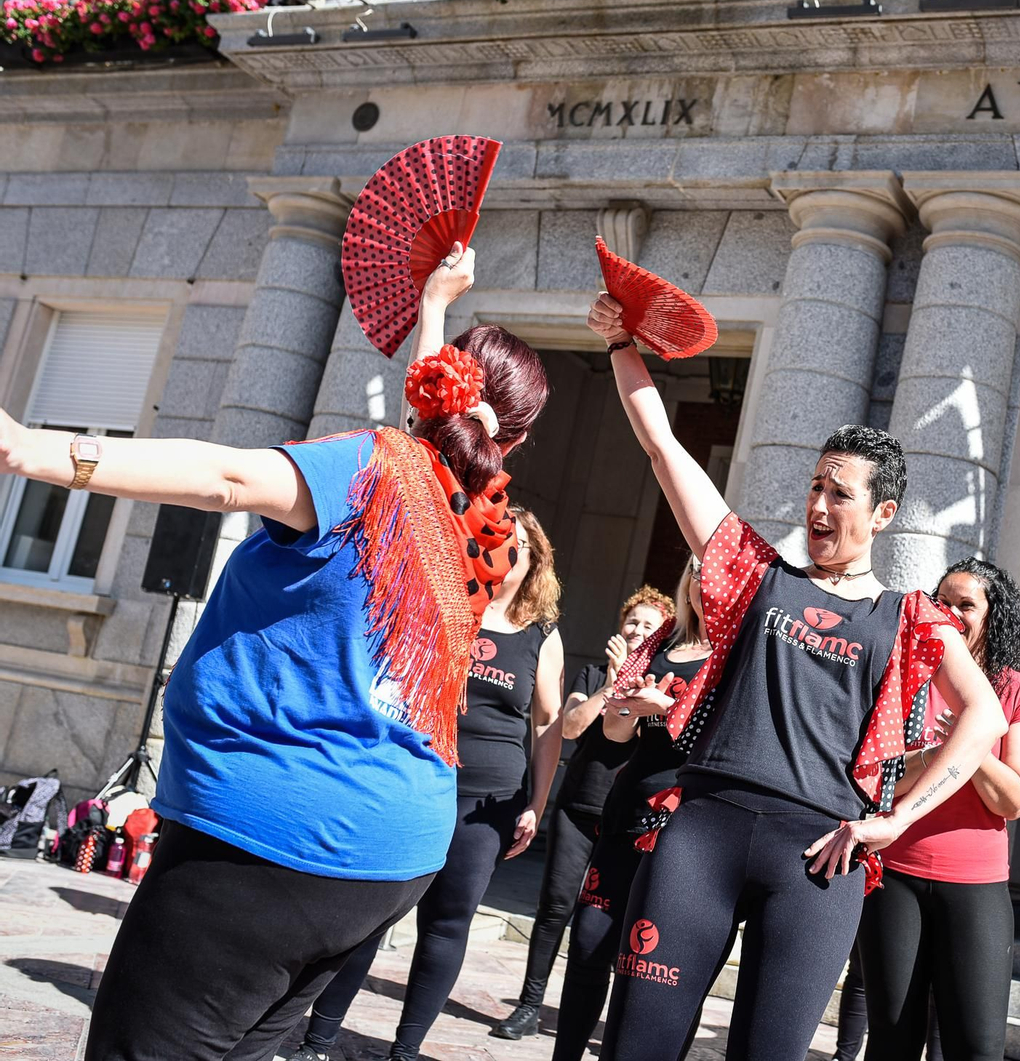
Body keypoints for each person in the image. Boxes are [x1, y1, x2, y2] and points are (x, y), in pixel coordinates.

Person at [0, 244, 555, 1061]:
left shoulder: (372, 467)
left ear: (442, 386)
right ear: (516, 438)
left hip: (271, 839)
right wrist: (434, 304)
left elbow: (225, 476)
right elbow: (434, 423)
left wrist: (31, 451)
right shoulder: (483, 532)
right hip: (388, 859)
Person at [584, 293, 1009, 1061]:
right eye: (815, 485)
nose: (817, 504)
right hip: (701, 834)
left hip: (820, 859)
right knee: (635, 1048)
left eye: (839, 493)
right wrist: (622, 344)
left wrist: (897, 819)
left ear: (882, 514)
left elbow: (984, 717)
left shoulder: (911, 617)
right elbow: (662, 449)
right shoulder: (755, 576)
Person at [286, 506, 566, 1061]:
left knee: (447, 923)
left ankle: (405, 1051)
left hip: (488, 798)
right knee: (373, 911)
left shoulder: (543, 635)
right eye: (496, 539)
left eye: (515, 544)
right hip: (414, 780)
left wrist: (537, 802)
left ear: (533, 561)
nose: (503, 550)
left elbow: (547, 726)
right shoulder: (450, 606)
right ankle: (318, 1040)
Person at [858, 557, 1020, 1061]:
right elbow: (880, 783)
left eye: (967, 604)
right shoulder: (907, 679)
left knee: (977, 1046)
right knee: (892, 1040)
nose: (952, 613)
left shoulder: (1018, 691)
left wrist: (973, 748)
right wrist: (934, 756)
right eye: (943, 602)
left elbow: (1016, 799)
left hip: (976, 886)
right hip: (895, 874)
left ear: (994, 615)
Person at [493, 585, 674, 1040]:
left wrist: (635, 687)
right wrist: (613, 685)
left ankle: (605, 1018)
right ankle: (529, 1005)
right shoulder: (595, 674)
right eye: (631, 621)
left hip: (629, 819)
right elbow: (570, 728)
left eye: (648, 626)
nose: (636, 631)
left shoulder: (663, 686)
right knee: (554, 906)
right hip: (579, 808)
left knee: (614, 921)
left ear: (663, 635)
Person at [552, 560, 714, 1061]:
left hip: (682, 821)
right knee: (587, 945)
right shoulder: (660, 645)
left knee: (646, 965)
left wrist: (667, 711)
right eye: (696, 573)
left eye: (716, 575)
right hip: (625, 808)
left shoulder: (735, 653)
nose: (704, 584)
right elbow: (614, 731)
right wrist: (628, 707)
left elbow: (723, 739)